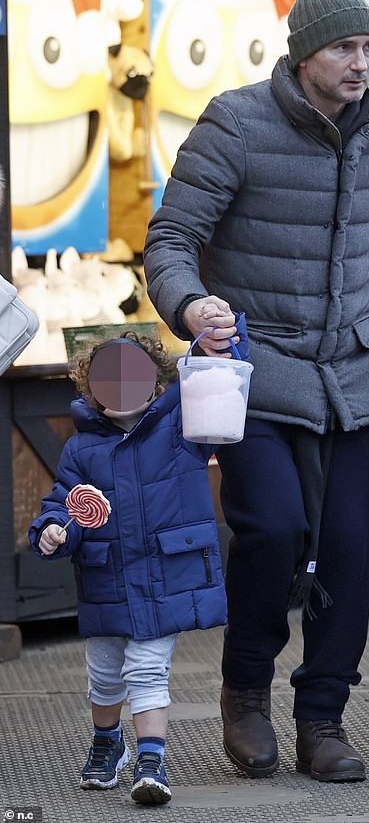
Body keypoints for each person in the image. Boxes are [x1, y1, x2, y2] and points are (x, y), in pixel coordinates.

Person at [143, 0, 369, 783]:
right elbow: (170, 238)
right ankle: (245, 692)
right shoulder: (234, 122)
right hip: (253, 370)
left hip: (348, 375)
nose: (363, 62)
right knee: (271, 529)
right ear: (304, 50)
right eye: (346, 47)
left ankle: (324, 717)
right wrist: (191, 302)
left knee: (349, 550)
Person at [28, 326, 247, 805]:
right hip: (106, 580)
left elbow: (222, 379)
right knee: (104, 675)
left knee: (148, 669)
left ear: (157, 382)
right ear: (90, 388)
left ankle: (153, 758)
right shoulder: (80, 450)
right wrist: (54, 529)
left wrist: (222, 338)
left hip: (165, 577)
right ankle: (108, 742)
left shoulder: (183, 428)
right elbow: (65, 504)